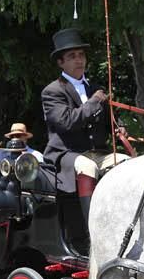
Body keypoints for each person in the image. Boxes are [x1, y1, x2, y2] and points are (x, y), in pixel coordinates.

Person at [41, 28, 127, 219]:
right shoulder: (52, 91)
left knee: (127, 164)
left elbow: (109, 120)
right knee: (87, 167)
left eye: (81, 55)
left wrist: (119, 128)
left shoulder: (96, 89)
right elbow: (67, 122)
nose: (79, 60)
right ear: (60, 62)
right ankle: (90, 227)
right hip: (66, 155)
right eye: (72, 56)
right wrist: (94, 102)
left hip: (98, 152)